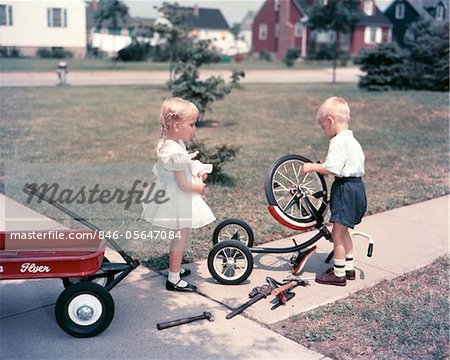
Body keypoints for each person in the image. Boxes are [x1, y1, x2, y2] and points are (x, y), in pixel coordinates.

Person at [142, 97, 215, 292]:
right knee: (181, 236)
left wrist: (196, 168)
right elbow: (183, 185)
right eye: (191, 124)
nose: (194, 128)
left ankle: (175, 269)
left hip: (171, 194)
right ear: (176, 126)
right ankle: (173, 278)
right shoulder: (176, 151)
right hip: (177, 198)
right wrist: (199, 188)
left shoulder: (170, 144)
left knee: (179, 235)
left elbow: (180, 169)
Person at [303, 96, 366, 286]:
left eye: (323, 127)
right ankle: (349, 268)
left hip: (344, 190)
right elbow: (340, 165)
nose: (324, 131)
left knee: (337, 233)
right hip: (357, 188)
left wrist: (312, 167)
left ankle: (338, 275)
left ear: (330, 121)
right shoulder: (353, 141)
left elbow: (332, 169)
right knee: (345, 231)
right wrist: (326, 165)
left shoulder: (337, 142)